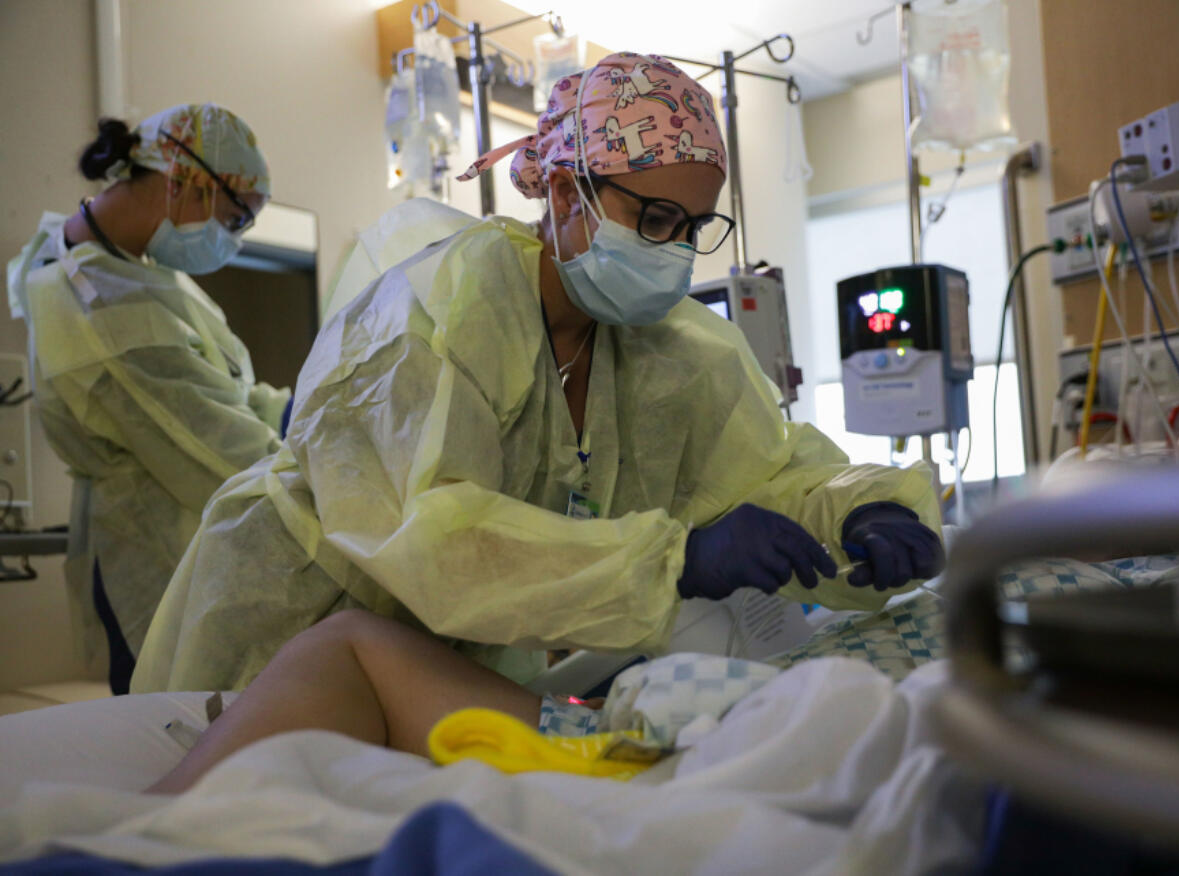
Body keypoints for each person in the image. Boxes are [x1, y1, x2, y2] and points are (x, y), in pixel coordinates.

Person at [132, 54, 942, 699]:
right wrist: (676, 560)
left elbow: (771, 468)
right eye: (654, 219)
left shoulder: (662, 346)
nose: (676, 250)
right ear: (563, 190)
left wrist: (861, 507)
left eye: (695, 227)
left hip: (443, 673)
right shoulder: (439, 308)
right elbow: (438, 544)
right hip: (289, 634)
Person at [7, 103, 289, 694]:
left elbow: (218, 386)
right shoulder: (100, 306)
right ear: (185, 181)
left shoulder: (128, 267)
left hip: (178, 533)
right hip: (158, 550)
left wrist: (296, 407)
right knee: (177, 731)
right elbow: (218, 450)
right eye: (237, 219)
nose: (232, 242)